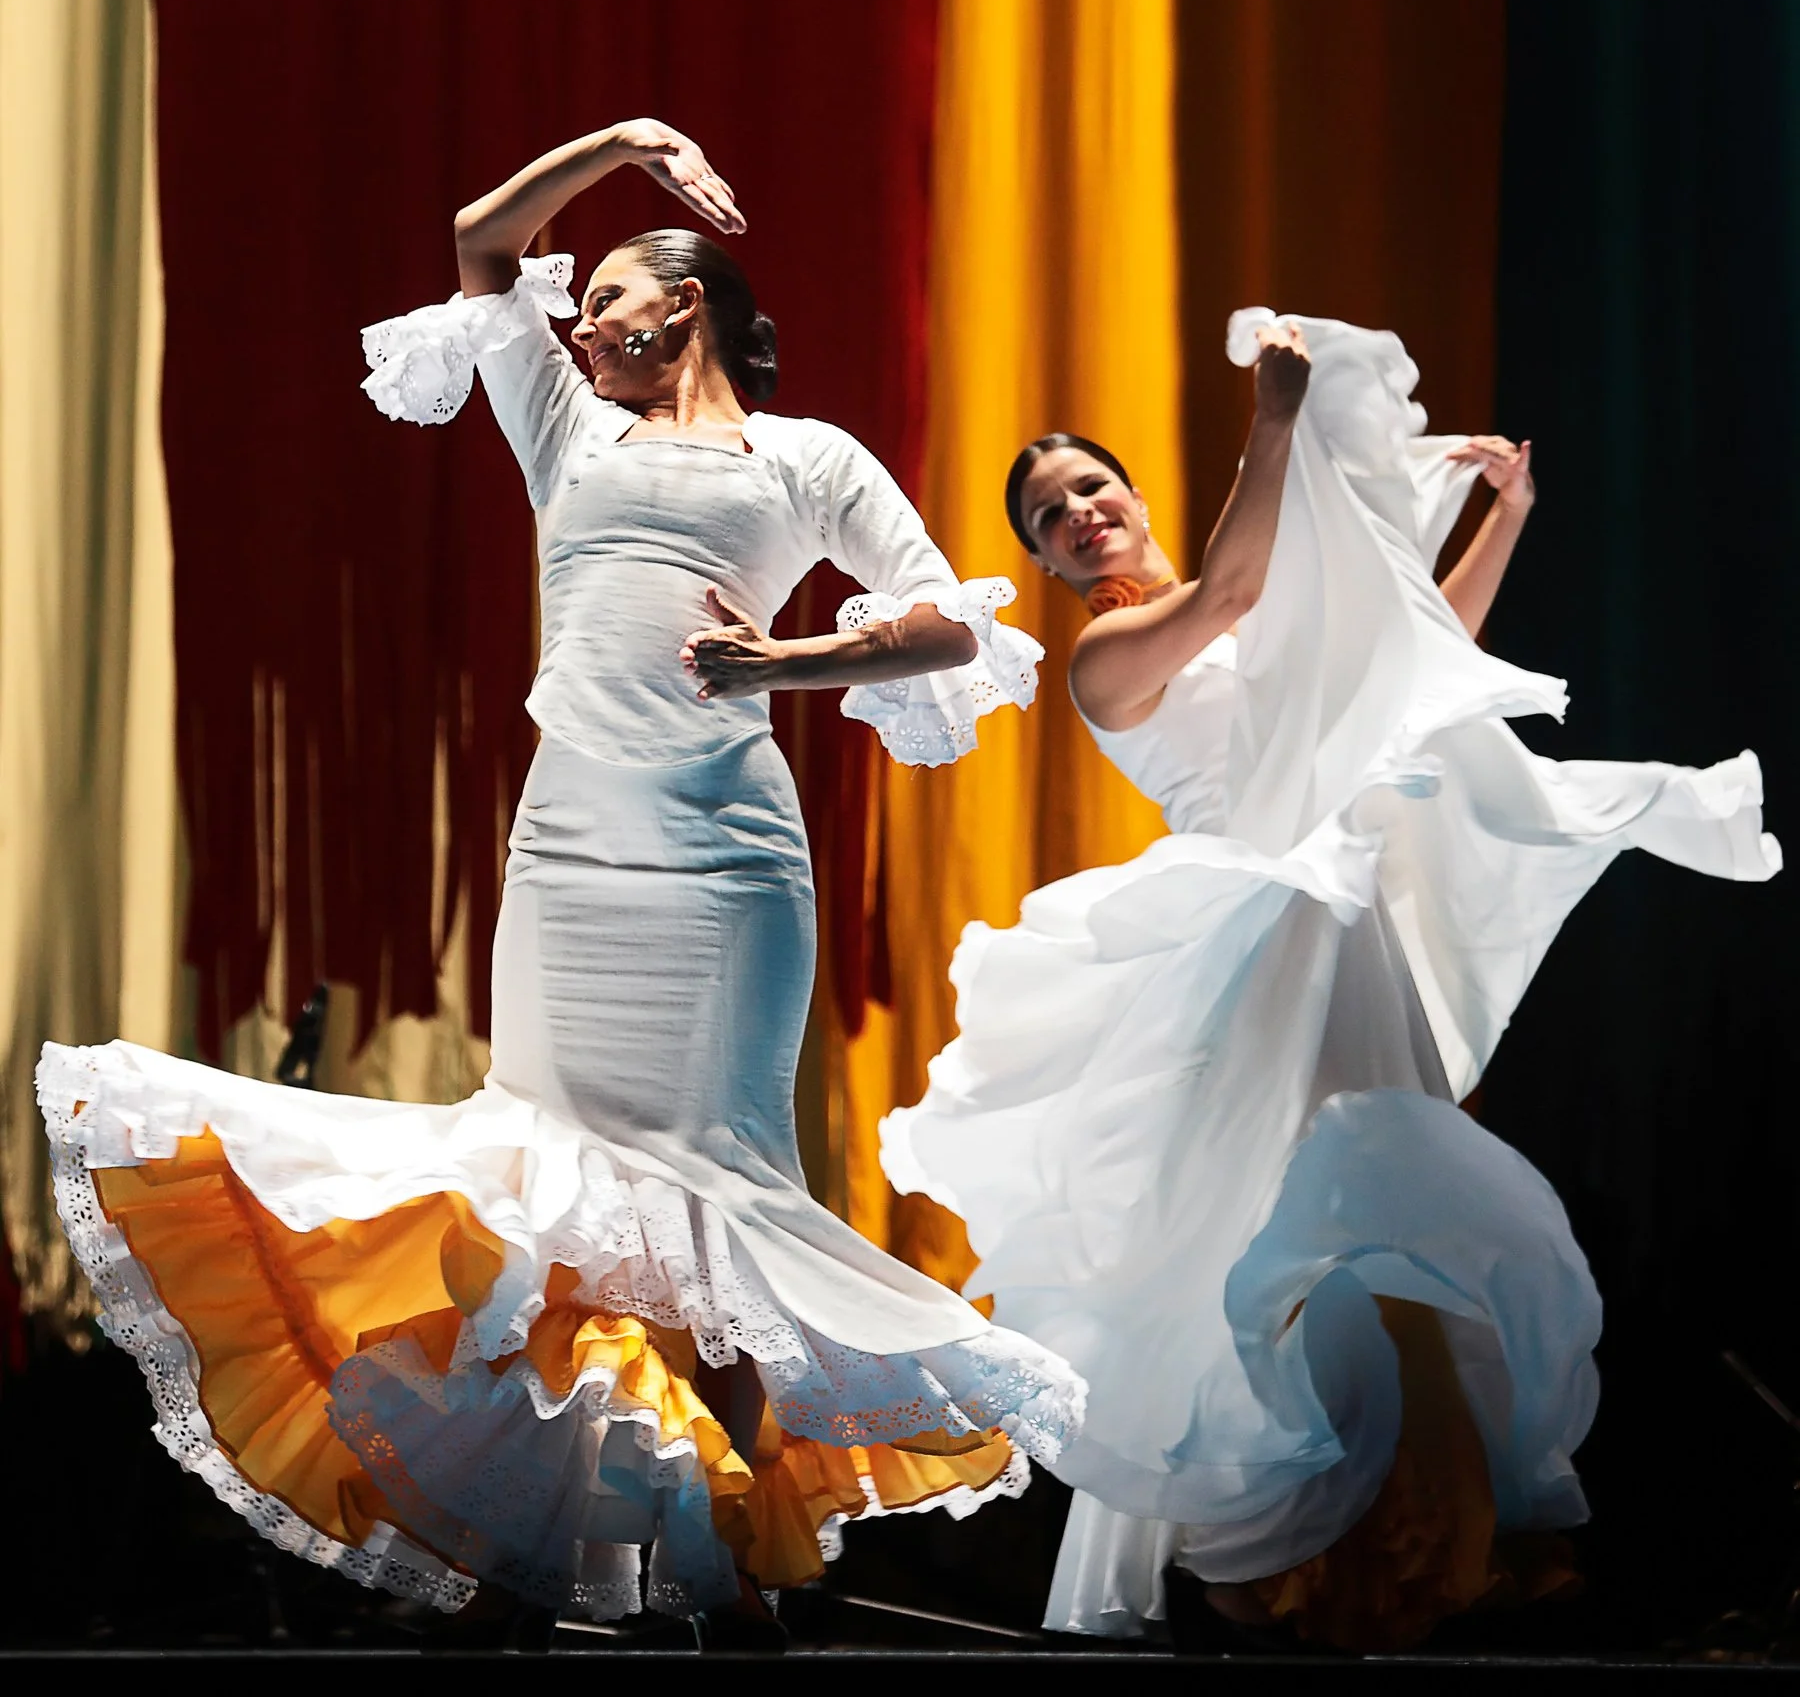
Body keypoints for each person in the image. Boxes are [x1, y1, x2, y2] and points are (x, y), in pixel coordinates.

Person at [38, 118, 1081, 1646]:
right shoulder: (569, 431)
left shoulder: (807, 460)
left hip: (724, 864)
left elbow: (944, 628)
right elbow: (480, 244)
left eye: (605, 297)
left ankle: (730, 1548)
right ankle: (546, 1555)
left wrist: (780, 660)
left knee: (715, 1190)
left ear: (688, 308)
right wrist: (631, 145)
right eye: (575, 303)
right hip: (573, 855)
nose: (576, 319)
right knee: (542, 1189)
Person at [879, 310, 1781, 1651]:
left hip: (1336, 914)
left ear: (1129, 494)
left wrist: (1507, 516)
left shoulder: (1238, 602)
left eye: (1089, 486)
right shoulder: (1108, 658)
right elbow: (1233, 594)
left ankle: (1420, 1543)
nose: (1076, 513)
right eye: (1048, 514)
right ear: (1047, 563)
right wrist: (1278, 420)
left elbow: (1420, 660)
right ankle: (1323, 1558)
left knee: (1390, 1212)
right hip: (1256, 930)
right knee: (1286, 1225)